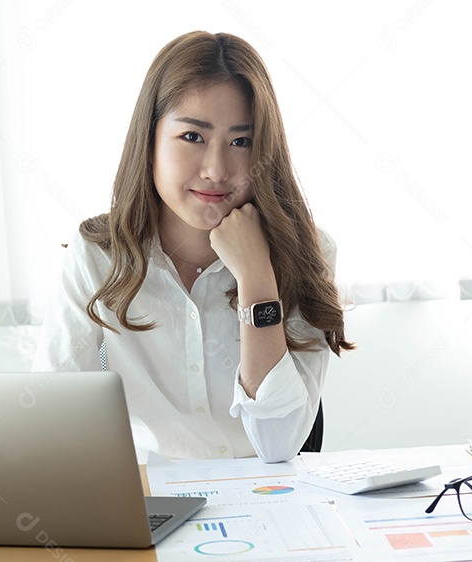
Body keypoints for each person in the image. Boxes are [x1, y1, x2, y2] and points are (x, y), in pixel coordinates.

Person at [32, 31, 353, 463]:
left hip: (270, 500)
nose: (216, 169)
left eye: (241, 142)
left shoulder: (307, 252)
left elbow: (279, 444)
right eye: (192, 137)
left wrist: (257, 278)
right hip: (148, 502)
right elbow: (50, 421)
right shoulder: (99, 255)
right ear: (149, 143)